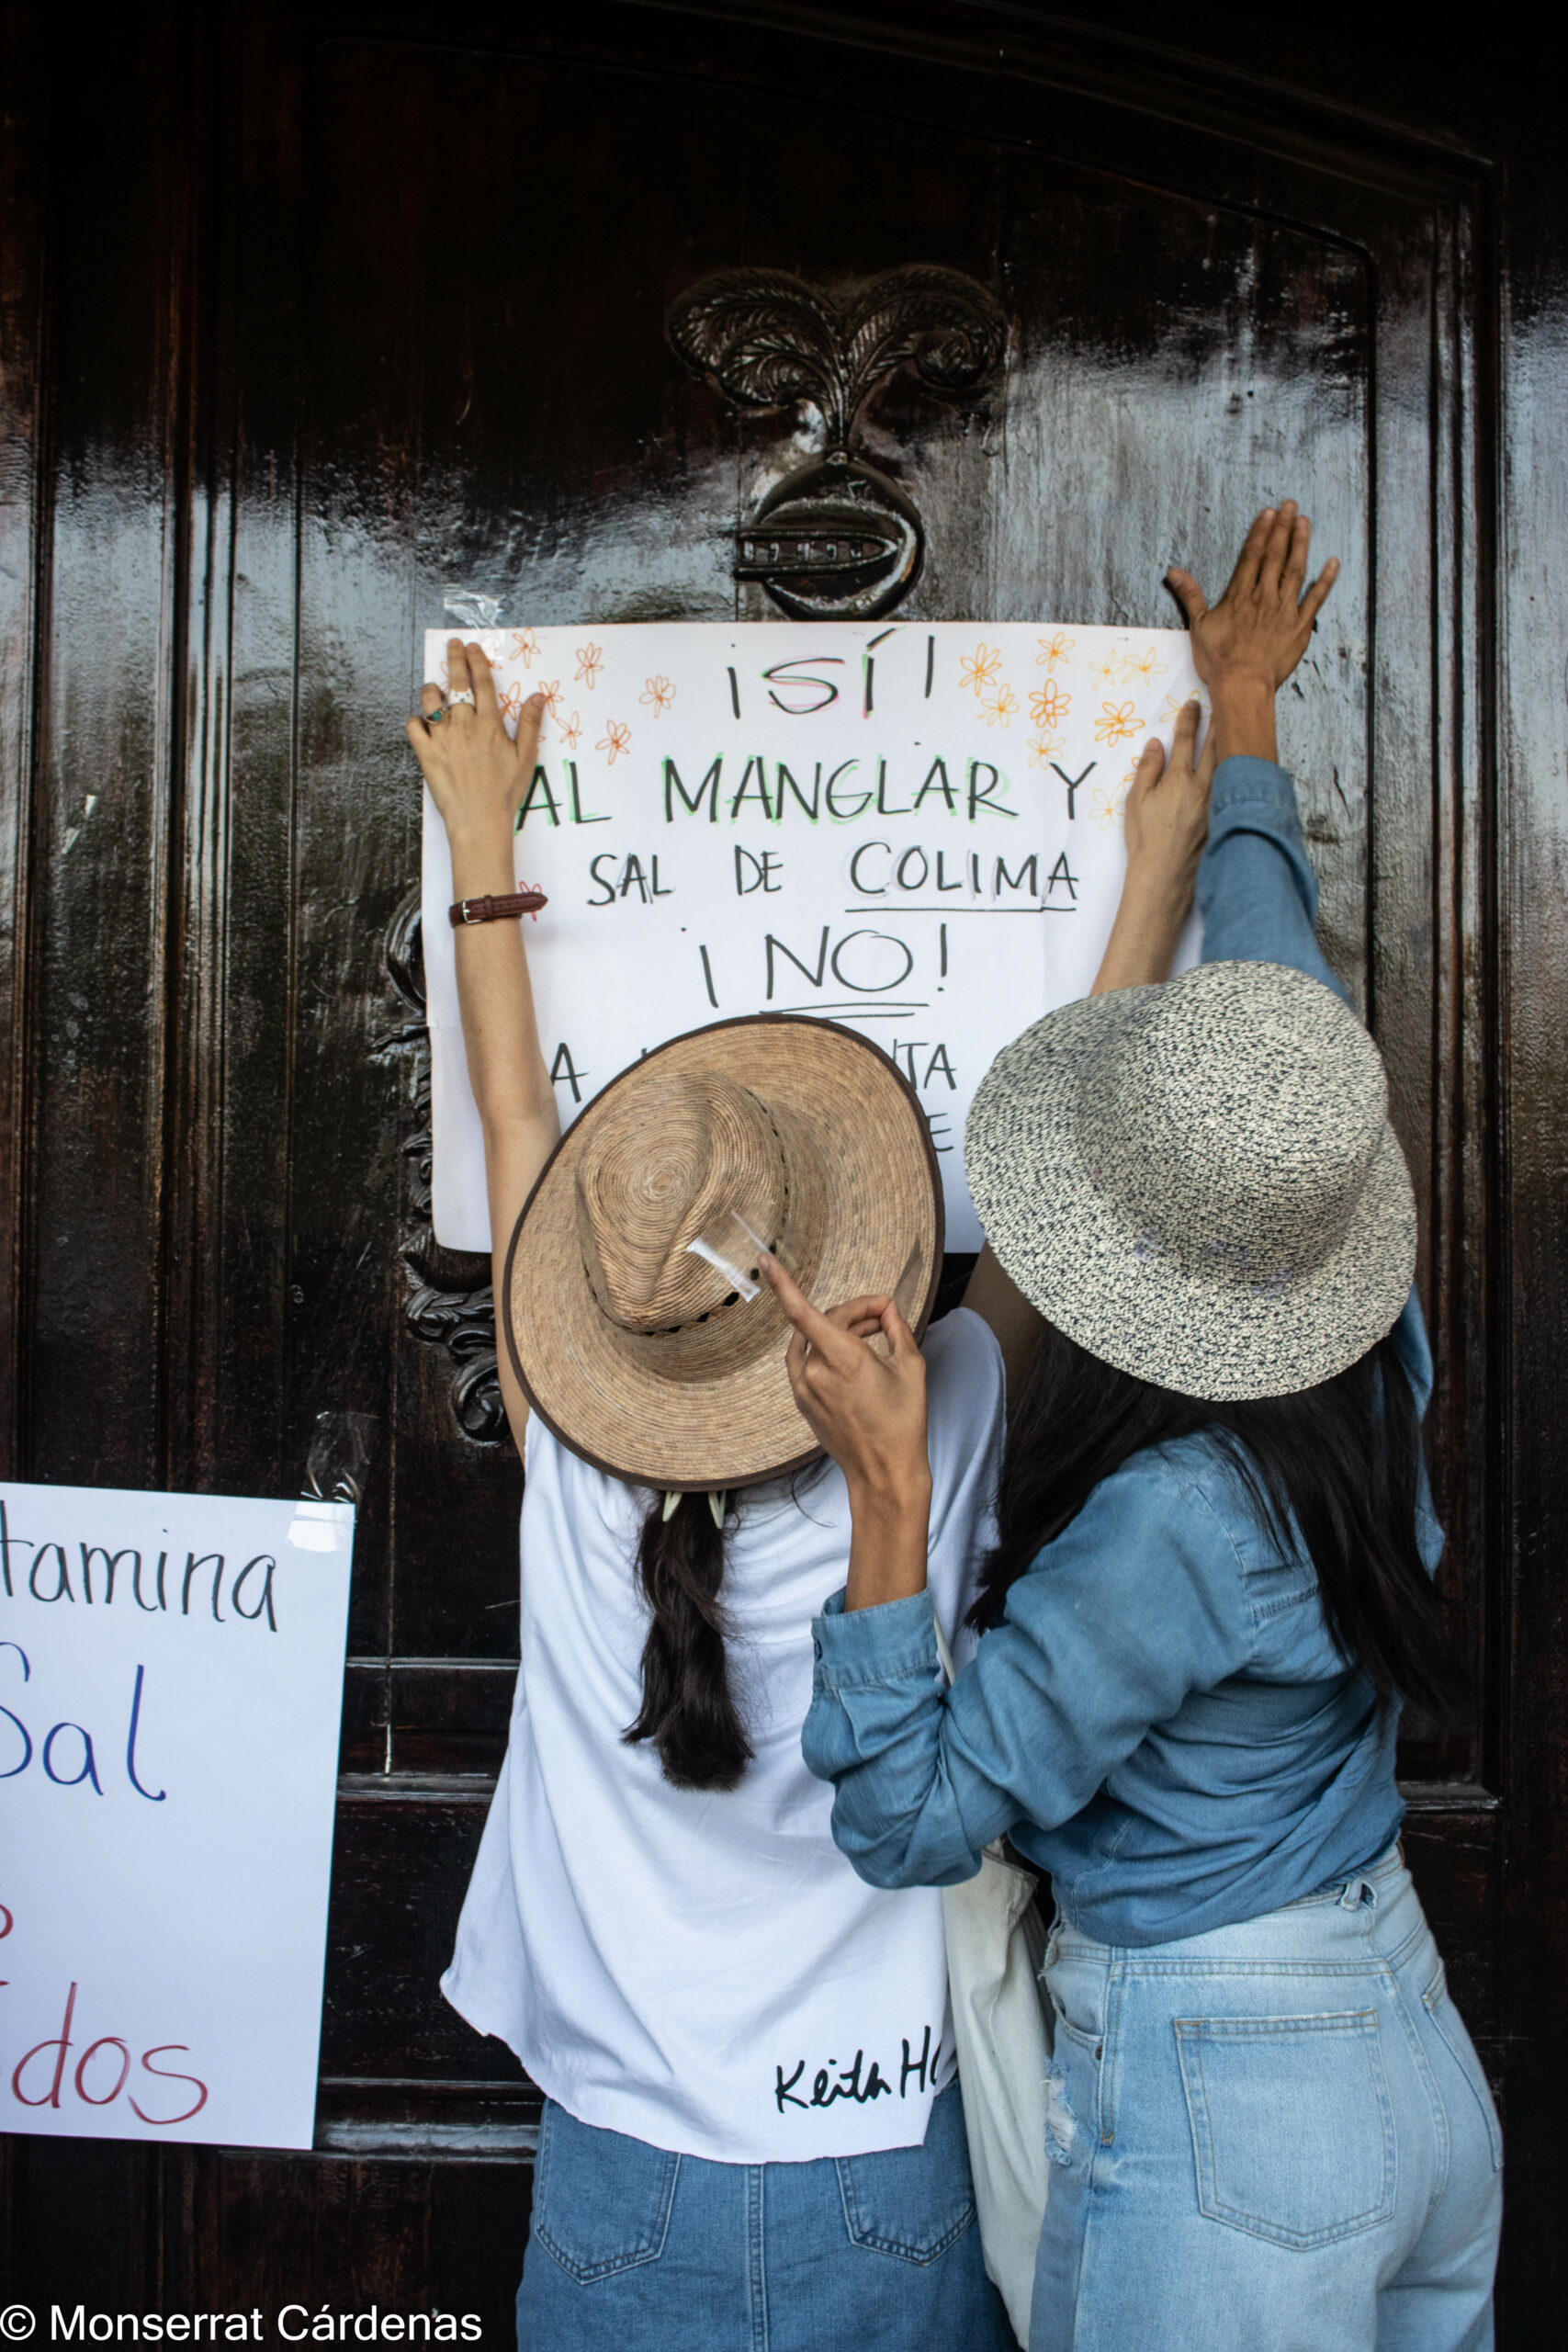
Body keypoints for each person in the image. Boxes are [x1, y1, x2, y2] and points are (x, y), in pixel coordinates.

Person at [407, 628, 1213, 2349]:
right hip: (888, 2169)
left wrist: (486, 844)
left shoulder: (563, 1449)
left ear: (605, 1325)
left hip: (619, 2181)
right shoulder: (948, 1420)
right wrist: (1153, 878)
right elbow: (1057, 1225)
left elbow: (505, 1110)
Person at [768, 504, 1503, 2352]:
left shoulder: (1175, 1520)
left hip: (1229, 2115)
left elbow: (915, 1818)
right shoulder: (1373, 1339)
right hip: (1402, 2047)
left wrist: (883, 1492)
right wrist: (1239, 712)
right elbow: (1276, 988)